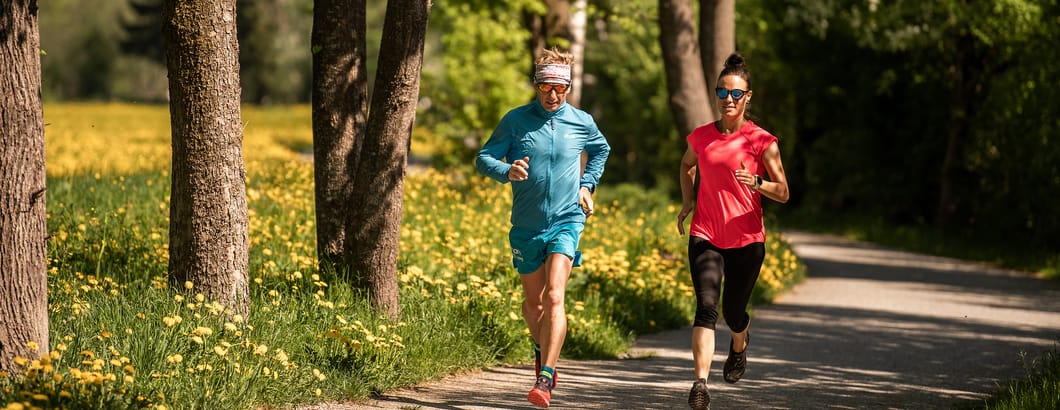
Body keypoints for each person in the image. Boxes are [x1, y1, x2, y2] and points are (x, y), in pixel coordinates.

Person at [476, 48, 610, 408]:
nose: (553, 95)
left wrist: (587, 185)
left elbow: (601, 150)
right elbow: (484, 158)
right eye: (547, 87)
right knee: (533, 305)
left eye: (561, 88)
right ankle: (543, 347)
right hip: (526, 226)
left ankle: (546, 376)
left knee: (554, 297)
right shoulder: (516, 120)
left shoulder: (581, 121)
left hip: (567, 218)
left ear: (568, 87)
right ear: (537, 84)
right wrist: (507, 171)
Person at [676, 52, 790, 410]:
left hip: (747, 239)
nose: (728, 99)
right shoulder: (701, 137)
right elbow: (686, 165)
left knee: (733, 312)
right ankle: (700, 385)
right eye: (722, 93)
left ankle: (739, 344)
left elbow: (784, 191)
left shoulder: (761, 140)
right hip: (706, 233)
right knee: (706, 307)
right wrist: (687, 202)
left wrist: (757, 182)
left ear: (748, 97)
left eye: (736, 94)